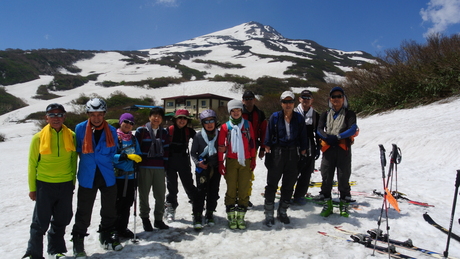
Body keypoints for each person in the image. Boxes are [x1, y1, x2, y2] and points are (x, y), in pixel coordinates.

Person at [23, 103, 77, 259]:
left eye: (60, 114)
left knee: (62, 219)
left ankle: (55, 250)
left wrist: (72, 183)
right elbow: (32, 164)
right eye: (52, 115)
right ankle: (34, 253)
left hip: (65, 184)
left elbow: (74, 161)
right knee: (40, 222)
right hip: (44, 185)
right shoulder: (38, 138)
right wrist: (33, 188)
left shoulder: (71, 136)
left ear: (64, 117)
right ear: (46, 118)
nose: (56, 118)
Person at [71, 98, 123, 258]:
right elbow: (78, 150)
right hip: (88, 175)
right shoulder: (79, 129)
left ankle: (106, 235)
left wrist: (124, 159)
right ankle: (78, 242)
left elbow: (113, 151)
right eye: (92, 114)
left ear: (104, 114)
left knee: (109, 209)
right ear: (88, 114)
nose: (96, 118)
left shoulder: (112, 130)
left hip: (107, 174)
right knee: (84, 211)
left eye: (99, 114)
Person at [263, 91, 307, 227]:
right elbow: (268, 134)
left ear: (294, 103)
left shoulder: (299, 118)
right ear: (281, 103)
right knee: (272, 184)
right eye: (285, 102)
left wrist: (303, 150)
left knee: (288, 185)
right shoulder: (275, 117)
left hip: (293, 153)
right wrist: (267, 149)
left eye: (290, 102)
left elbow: (303, 136)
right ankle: (269, 213)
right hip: (278, 152)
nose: (288, 105)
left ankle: (282, 211)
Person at [316, 86, 358, 218]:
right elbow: (318, 129)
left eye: (339, 96)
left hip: (342, 149)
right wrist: (326, 137)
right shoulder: (325, 114)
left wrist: (338, 137)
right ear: (330, 99)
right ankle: (327, 204)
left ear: (343, 98)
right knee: (326, 176)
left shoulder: (349, 114)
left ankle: (344, 205)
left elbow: (353, 129)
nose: (336, 99)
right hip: (328, 149)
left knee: (343, 177)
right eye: (333, 96)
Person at [218, 100, 256, 230]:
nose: (236, 113)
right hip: (231, 160)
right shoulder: (225, 127)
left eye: (238, 110)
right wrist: (220, 162)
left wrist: (253, 159)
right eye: (233, 111)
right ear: (230, 112)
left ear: (241, 111)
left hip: (246, 160)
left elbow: (252, 143)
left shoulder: (247, 124)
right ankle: (231, 215)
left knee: (244, 188)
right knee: (231, 188)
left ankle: (240, 216)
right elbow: (221, 145)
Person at [135, 107, 170, 231]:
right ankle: (145, 218)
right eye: (154, 116)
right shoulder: (141, 131)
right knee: (144, 194)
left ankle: (158, 219)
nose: (157, 118)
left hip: (159, 167)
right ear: (149, 117)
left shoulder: (164, 132)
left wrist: (165, 166)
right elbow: (137, 149)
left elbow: (166, 150)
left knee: (160, 195)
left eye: (159, 117)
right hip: (144, 167)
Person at [190, 109, 222, 230]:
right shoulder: (198, 136)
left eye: (211, 121)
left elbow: (225, 148)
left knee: (213, 191)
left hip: (215, 167)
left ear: (215, 122)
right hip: (202, 169)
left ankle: (209, 213)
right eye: (206, 121)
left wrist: (223, 150)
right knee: (200, 192)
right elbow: (193, 153)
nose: (209, 124)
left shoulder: (219, 135)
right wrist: (198, 163)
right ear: (202, 123)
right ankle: (197, 214)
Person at [165, 109, 197, 222]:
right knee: (172, 187)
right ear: (175, 119)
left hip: (184, 160)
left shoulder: (190, 131)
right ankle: (170, 207)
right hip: (170, 161)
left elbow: (200, 141)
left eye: (184, 118)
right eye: (180, 118)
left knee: (189, 185)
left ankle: (196, 207)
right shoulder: (168, 130)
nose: (182, 120)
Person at [114, 113, 142, 239]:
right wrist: (125, 156)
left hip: (131, 177)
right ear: (120, 122)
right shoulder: (114, 137)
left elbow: (139, 154)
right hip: (117, 177)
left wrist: (139, 159)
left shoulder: (134, 139)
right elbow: (109, 156)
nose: (128, 125)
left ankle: (122, 228)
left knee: (127, 204)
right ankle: (113, 229)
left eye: (131, 123)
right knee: (116, 204)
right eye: (126, 121)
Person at [292, 90, 321, 205]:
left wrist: (318, 146)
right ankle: (287, 194)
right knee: (292, 171)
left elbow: (318, 132)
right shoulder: (292, 112)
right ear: (299, 99)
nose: (306, 99)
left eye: (308, 97)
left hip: (310, 145)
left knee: (306, 172)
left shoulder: (315, 115)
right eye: (303, 97)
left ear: (312, 100)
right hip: (295, 145)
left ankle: (299, 195)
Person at [241, 90, 267, 207]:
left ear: (254, 99)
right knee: (238, 172)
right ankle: (238, 196)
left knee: (249, 172)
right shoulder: (238, 112)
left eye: (250, 98)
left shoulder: (260, 114)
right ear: (243, 100)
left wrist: (262, 147)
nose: (248, 100)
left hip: (253, 147)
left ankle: (246, 197)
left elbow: (264, 132)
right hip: (239, 147)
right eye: (246, 98)